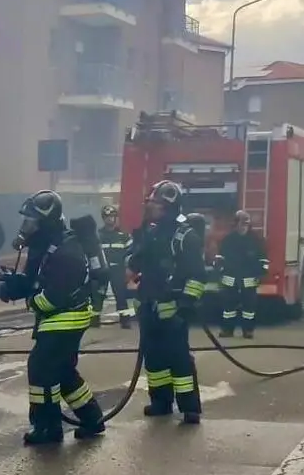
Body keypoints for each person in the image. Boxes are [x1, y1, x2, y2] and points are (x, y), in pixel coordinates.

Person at [0, 190, 106, 446]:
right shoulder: (44, 246)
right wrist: (15, 286)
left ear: (45, 221)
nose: (26, 227)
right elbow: (35, 279)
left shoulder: (66, 251)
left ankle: (48, 428)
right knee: (63, 371)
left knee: (42, 369)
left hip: (66, 319)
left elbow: (54, 296)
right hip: (58, 318)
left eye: (31, 221)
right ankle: (92, 419)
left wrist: (31, 301)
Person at [126, 180, 206, 424]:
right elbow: (138, 262)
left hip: (173, 311)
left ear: (170, 206)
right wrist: (136, 251)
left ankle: (190, 408)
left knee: (179, 359)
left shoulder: (185, 236)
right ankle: (161, 402)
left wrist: (187, 303)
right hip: (149, 307)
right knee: (154, 359)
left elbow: (198, 275)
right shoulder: (152, 232)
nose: (152, 208)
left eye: (157, 204)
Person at [216, 210, 268, 338]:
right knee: (228, 308)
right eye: (240, 224)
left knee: (249, 309)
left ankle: (248, 331)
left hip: (249, 279)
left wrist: (261, 272)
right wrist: (220, 270)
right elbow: (219, 258)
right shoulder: (228, 239)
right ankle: (228, 330)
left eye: (245, 224)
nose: (242, 227)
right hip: (230, 278)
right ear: (235, 225)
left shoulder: (255, 240)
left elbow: (263, 259)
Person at [94, 203, 133, 329]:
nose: (110, 219)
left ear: (116, 218)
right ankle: (94, 320)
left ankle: (125, 320)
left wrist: (128, 268)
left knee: (121, 296)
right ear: (103, 218)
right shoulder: (98, 236)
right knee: (98, 295)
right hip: (102, 270)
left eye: (112, 216)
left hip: (118, 270)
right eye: (107, 217)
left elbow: (130, 254)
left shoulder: (124, 236)